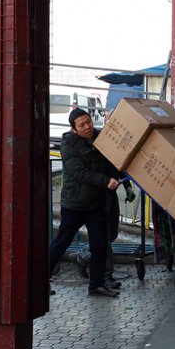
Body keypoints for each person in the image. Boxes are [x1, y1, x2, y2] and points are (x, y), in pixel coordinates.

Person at [49, 108, 122, 297]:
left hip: (96, 203)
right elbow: (79, 172)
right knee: (61, 243)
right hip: (75, 205)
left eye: (88, 121)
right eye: (82, 125)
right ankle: (40, 281)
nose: (87, 126)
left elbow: (110, 163)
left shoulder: (100, 138)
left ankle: (96, 285)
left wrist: (117, 176)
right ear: (74, 129)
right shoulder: (68, 145)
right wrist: (106, 181)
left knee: (100, 245)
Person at [71, 180, 136, 288]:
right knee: (105, 238)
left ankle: (81, 256)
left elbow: (120, 167)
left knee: (110, 235)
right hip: (96, 195)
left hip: (110, 194)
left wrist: (127, 186)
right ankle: (106, 277)